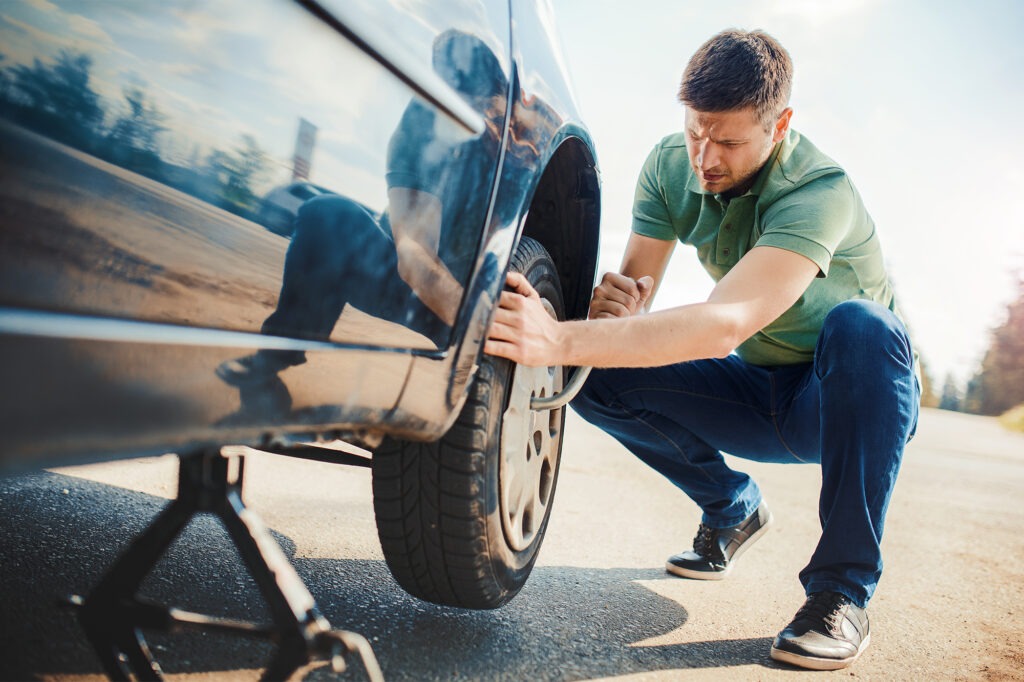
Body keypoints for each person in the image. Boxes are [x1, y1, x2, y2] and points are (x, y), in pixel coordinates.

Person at [485, 29, 919, 671]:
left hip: (840, 402)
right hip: (757, 391)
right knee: (594, 371)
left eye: (729, 141)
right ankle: (731, 508)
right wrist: (614, 315)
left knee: (864, 327)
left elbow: (723, 323)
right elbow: (638, 291)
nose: (705, 157)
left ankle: (840, 594)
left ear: (780, 124)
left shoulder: (818, 193)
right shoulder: (670, 165)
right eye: (695, 132)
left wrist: (554, 335)